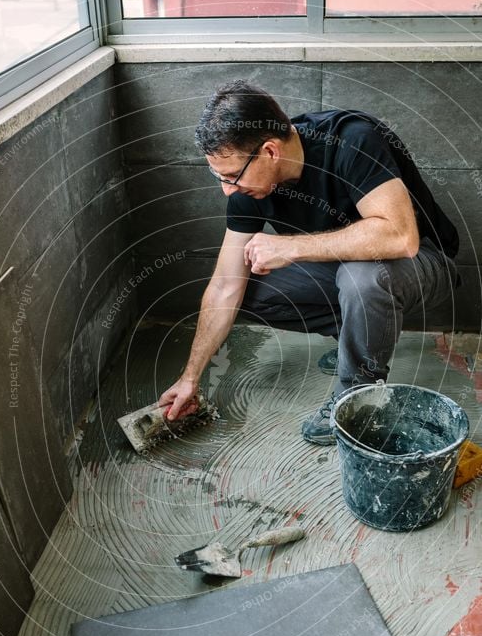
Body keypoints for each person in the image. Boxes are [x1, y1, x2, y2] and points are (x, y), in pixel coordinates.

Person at [159, 80, 460, 445]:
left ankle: (356, 399)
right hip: (350, 269)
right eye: (217, 176)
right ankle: (355, 337)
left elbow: (400, 237)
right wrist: (190, 377)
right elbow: (225, 285)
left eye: (231, 176)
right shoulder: (248, 188)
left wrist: (292, 248)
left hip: (424, 261)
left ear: (269, 151)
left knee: (362, 276)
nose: (227, 189)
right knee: (249, 287)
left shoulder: (353, 141)